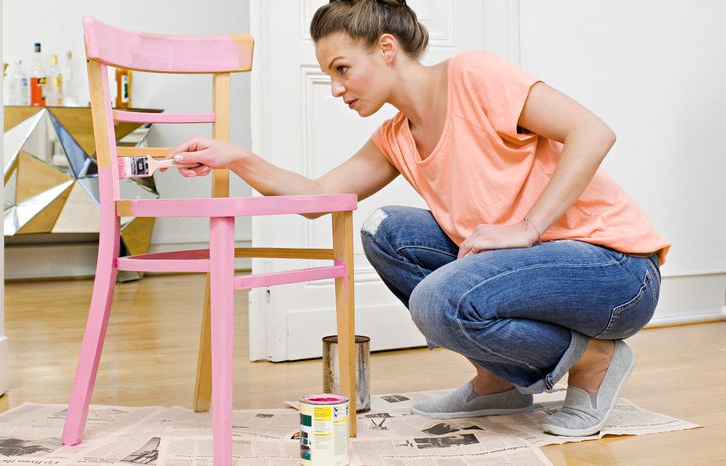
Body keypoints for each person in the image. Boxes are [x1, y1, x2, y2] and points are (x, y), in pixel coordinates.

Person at [166, 0, 670, 437]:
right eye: (329, 77)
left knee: (438, 300)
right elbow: (320, 196)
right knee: (383, 229)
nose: (337, 89)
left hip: (614, 272)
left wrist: (529, 226)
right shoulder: (396, 136)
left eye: (342, 69)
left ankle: (595, 361)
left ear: (386, 48)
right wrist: (234, 158)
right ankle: (497, 381)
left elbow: (592, 131)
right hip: (533, 272)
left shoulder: (474, 76)